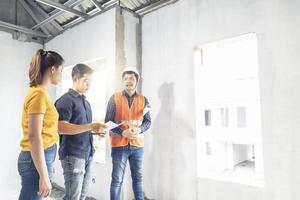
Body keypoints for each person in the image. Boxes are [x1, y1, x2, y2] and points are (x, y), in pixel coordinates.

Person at [55, 63, 106, 200]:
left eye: (91, 82)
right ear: (75, 79)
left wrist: (96, 131)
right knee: (73, 197)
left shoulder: (86, 103)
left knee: (81, 196)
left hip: (87, 154)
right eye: (85, 81)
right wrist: (90, 126)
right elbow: (61, 128)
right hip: (73, 155)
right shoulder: (65, 100)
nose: (89, 85)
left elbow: (81, 128)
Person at [18, 49, 64, 200]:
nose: (61, 75)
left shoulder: (39, 92)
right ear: (52, 69)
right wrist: (44, 176)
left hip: (38, 158)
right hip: (35, 161)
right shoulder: (39, 94)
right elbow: (34, 136)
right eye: (61, 70)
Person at [105, 67, 152, 200]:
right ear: (122, 82)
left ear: (137, 81)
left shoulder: (144, 100)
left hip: (137, 147)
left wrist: (140, 129)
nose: (128, 81)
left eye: (131, 78)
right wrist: (122, 132)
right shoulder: (114, 98)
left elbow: (148, 122)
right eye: (125, 79)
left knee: (138, 180)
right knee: (117, 180)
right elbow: (107, 122)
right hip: (119, 146)